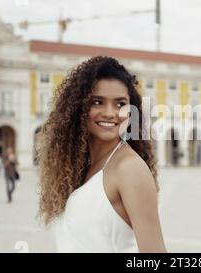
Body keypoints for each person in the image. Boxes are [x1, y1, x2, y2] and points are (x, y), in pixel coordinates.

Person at [37, 56, 166, 253]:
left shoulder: (129, 169)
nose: (110, 113)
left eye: (120, 104)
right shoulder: (79, 168)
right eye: (97, 102)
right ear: (79, 107)